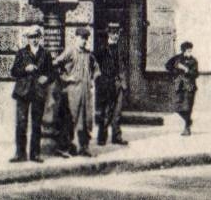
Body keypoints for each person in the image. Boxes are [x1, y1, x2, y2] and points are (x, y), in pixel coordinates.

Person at [9, 24, 54, 162]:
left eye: (36, 37)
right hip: (23, 92)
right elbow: (13, 72)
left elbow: (52, 73)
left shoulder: (45, 54)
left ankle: (35, 154)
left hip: (38, 92)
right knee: (21, 123)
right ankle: (20, 154)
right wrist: (25, 69)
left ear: (40, 38)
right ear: (27, 39)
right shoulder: (21, 53)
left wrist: (46, 78)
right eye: (31, 37)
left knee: (36, 124)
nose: (34, 40)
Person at [54, 26, 100, 156]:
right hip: (72, 92)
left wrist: (93, 80)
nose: (84, 41)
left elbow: (96, 69)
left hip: (86, 92)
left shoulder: (88, 54)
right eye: (81, 38)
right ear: (76, 38)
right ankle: (64, 148)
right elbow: (56, 64)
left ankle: (84, 147)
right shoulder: (70, 51)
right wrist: (66, 78)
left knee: (85, 119)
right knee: (70, 119)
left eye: (86, 38)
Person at [95, 22, 128, 146]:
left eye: (117, 33)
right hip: (106, 83)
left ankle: (116, 137)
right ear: (108, 33)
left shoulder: (121, 48)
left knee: (117, 112)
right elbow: (94, 64)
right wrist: (99, 78)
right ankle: (102, 138)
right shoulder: (102, 48)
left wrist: (123, 82)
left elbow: (123, 66)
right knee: (106, 111)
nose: (115, 35)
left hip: (118, 83)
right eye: (113, 33)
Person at [165, 42, 199, 135]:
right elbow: (167, 66)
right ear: (183, 50)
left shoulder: (193, 61)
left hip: (189, 86)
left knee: (187, 107)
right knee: (176, 106)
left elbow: (196, 74)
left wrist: (186, 70)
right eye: (188, 50)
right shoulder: (177, 58)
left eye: (191, 50)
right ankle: (188, 121)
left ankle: (187, 128)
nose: (190, 52)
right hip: (179, 85)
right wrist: (174, 73)